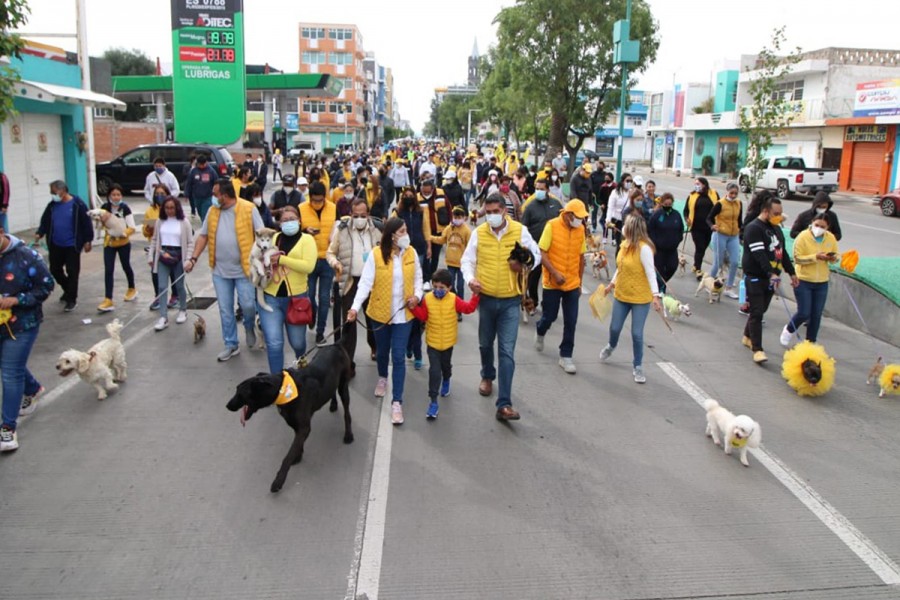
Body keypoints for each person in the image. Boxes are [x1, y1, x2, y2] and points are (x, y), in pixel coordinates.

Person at [461, 193, 541, 421]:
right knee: (485, 344)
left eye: (496, 212)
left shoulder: (519, 231)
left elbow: (535, 254)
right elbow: (467, 261)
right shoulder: (479, 233)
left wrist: (524, 263)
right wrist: (470, 280)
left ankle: (504, 403)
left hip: (509, 302)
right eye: (489, 213)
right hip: (485, 300)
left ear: (505, 211)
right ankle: (487, 375)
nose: (492, 216)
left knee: (506, 351)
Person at [347, 217, 423, 425]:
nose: (406, 235)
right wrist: (354, 308)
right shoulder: (376, 255)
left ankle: (396, 402)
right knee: (382, 351)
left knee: (398, 357)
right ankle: (382, 377)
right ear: (391, 235)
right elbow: (365, 283)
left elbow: (418, 279)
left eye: (406, 230)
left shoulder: (412, 253)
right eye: (402, 232)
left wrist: (417, 296)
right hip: (379, 313)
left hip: (403, 315)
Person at [185, 179, 264, 361]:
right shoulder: (213, 211)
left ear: (225, 196)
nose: (212, 197)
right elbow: (203, 236)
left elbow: (262, 234)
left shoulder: (249, 208)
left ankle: (249, 326)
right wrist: (193, 258)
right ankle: (231, 344)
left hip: (244, 270)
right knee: (225, 310)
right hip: (220, 271)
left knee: (248, 306)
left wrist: (263, 260)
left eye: (215, 194)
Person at [0, 228, 55, 452]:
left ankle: (7, 428)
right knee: (9, 366)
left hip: (23, 325)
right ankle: (32, 389)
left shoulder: (26, 256)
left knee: (10, 372)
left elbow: (46, 286)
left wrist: (16, 300)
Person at [599, 215, 663, 384]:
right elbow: (621, 267)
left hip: (640, 298)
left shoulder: (644, 249)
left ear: (632, 229)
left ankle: (638, 366)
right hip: (622, 294)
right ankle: (611, 346)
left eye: (626, 225)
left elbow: (651, 273)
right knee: (614, 328)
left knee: (636, 334)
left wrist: (655, 296)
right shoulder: (624, 246)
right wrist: (611, 284)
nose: (623, 227)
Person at [411, 269, 480, 419]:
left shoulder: (454, 299)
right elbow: (423, 316)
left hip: (448, 343)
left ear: (449, 288)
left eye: (442, 288)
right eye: (435, 287)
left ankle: (447, 378)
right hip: (433, 343)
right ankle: (433, 401)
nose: (438, 290)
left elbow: (468, 309)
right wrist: (414, 308)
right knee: (434, 371)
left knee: (445, 366)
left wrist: (475, 295)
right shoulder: (427, 299)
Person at [258, 206, 317, 373]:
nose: (289, 222)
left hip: (296, 298)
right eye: (285, 220)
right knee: (274, 343)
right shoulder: (273, 238)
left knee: (298, 342)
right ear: (279, 223)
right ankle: (276, 383)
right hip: (270, 297)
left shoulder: (307, 240)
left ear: (299, 221)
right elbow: (259, 256)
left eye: (292, 219)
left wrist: (282, 259)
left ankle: (301, 362)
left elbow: (309, 266)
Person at [740, 196, 798, 364]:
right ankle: (757, 349)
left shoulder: (777, 229)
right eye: (776, 213)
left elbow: (782, 253)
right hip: (756, 276)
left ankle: (746, 336)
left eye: (780, 213)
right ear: (765, 211)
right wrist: (770, 273)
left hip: (772, 278)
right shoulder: (753, 228)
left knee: (760, 309)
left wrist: (791, 272)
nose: (779, 216)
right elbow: (759, 255)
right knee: (757, 312)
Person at [534, 200, 588, 374]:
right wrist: (555, 273)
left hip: (572, 283)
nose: (581, 220)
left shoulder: (581, 230)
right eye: (579, 217)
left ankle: (566, 355)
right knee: (549, 316)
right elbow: (542, 252)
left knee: (571, 320)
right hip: (552, 282)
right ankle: (541, 331)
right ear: (569, 214)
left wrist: (579, 283)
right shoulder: (552, 226)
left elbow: (581, 257)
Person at [327, 198, 382, 371]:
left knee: (373, 319)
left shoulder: (376, 231)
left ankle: (374, 347)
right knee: (348, 322)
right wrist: (335, 263)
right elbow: (330, 253)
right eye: (356, 215)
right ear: (351, 214)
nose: (359, 218)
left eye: (363, 215)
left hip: (372, 282)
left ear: (368, 215)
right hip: (349, 282)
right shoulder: (341, 231)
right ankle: (347, 363)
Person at [34, 180, 93, 312]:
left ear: (63, 191)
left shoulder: (78, 204)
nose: (52, 195)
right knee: (55, 270)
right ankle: (68, 289)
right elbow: (45, 221)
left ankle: (71, 299)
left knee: (72, 272)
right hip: (56, 244)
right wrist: (40, 232)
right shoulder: (52, 206)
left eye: (54, 192)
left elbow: (86, 223)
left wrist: (88, 240)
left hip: (72, 245)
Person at [780, 213, 839, 347]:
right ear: (812, 223)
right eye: (816, 225)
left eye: (822, 227)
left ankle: (810, 342)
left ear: (828, 227)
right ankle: (789, 329)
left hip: (822, 281)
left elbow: (836, 255)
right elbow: (797, 258)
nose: (819, 228)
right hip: (803, 280)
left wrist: (832, 258)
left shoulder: (830, 238)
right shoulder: (802, 237)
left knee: (816, 314)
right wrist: (816, 257)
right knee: (804, 312)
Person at [299, 181, 338, 345]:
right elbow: (295, 230)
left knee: (324, 298)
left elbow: (338, 228)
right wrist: (304, 230)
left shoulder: (333, 208)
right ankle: (311, 315)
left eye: (320, 200)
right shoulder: (301, 208)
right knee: (309, 296)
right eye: (314, 201)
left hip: (327, 259)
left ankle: (320, 332)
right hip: (309, 259)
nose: (317, 204)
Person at [148, 196, 193, 330]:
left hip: (179, 255)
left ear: (177, 208)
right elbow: (154, 240)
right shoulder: (160, 222)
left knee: (179, 285)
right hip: (163, 255)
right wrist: (151, 256)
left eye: (172, 208)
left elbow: (190, 242)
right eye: (166, 208)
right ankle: (163, 316)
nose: (169, 210)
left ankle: (183, 309)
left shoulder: (184, 222)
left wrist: (188, 259)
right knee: (162, 287)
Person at [521, 177, 564, 315]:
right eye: (537, 189)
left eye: (541, 189)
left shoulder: (556, 204)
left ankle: (549, 304)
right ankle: (533, 302)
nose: (538, 191)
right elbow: (523, 228)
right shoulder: (530, 207)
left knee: (552, 277)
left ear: (548, 190)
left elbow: (563, 221)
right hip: (536, 250)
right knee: (533, 279)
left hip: (554, 249)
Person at [97, 184, 138, 313]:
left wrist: (123, 233)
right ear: (109, 195)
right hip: (109, 243)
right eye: (113, 195)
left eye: (118, 195)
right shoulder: (104, 208)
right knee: (108, 269)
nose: (116, 197)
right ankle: (108, 299)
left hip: (123, 243)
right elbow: (99, 223)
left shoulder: (125, 208)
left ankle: (132, 288)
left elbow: (132, 227)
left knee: (126, 266)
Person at [429, 206, 472, 316]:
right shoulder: (449, 228)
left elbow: (470, 246)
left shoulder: (466, 231)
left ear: (464, 218)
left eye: (459, 217)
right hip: (450, 262)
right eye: (455, 216)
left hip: (461, 263)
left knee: (461, 286)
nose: (457, 219)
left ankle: (460, 308)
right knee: (451, 285)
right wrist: (431, 238)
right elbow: (442, 239)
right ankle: (453, 305)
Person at [706, 182, 743, 299]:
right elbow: (709, 218)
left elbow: (739, 220)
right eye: (731, 193)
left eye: (735, 193)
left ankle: (729, 287)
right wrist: (712, 225)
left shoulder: (739, 203)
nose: (733, 195)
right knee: (718, 262)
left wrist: (741, 233)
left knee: (735, 262)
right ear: (727, 192)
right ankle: (709, 283)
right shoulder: (720, 204)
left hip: (734, 235)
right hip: (720, 234)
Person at [647, 192, 684, 294]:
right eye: (666, 205)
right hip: (659, 249)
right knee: (659, 270)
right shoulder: (657, 215)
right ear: (662, 204)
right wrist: (655, 242)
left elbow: (680, 229)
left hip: (672, 249)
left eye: (670, 205)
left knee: (673, 266)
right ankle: (659, 288)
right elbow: (650, 230)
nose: (668, 206)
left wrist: (677, 240)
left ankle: (662, 283)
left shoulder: (676, 215)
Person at [683, 176, 719, 279]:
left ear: (705, 184)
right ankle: (698, 268)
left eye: (698, 184)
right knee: (700, 247)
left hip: (709, 227)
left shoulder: (713, 194)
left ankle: (695, 265)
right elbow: (686, 210)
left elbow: (719, 206)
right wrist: (686, 219)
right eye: (695, 184)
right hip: (696, 227)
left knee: (703, 247)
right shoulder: (692, 196)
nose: (696, 186)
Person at [418, 177, 450, 280]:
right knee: (426, 256)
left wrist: (450, 223)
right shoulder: (417, 198)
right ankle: (425, 277)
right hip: (424, 232)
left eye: (428, 191)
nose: (426, 193)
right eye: (424, 191)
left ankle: (432, 274)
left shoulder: (441, 194)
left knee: (435, 255)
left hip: (438, 231)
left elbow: (448, 208)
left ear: (432, 189)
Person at [185, 154, 218, 220]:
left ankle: (205, 228)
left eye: (203, 164)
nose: (202, 166)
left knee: (205, 214)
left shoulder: (211, 171)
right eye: (200, 164)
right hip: (197, 197)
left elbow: (216, 182)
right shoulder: (194, 171)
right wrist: (187, 194)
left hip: (208, 197)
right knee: (200, 213)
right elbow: (189, 183)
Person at [606, 173, 633, 248]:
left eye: (631, 181)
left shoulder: (632, 192)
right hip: (618, 221)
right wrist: (608, 219)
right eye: (627, 181)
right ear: (622, 181)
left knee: (628, 244)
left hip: (629, 221)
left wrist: (632, 197)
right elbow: (610, 207)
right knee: (620, 244)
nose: (629, 183)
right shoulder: (615, 192)